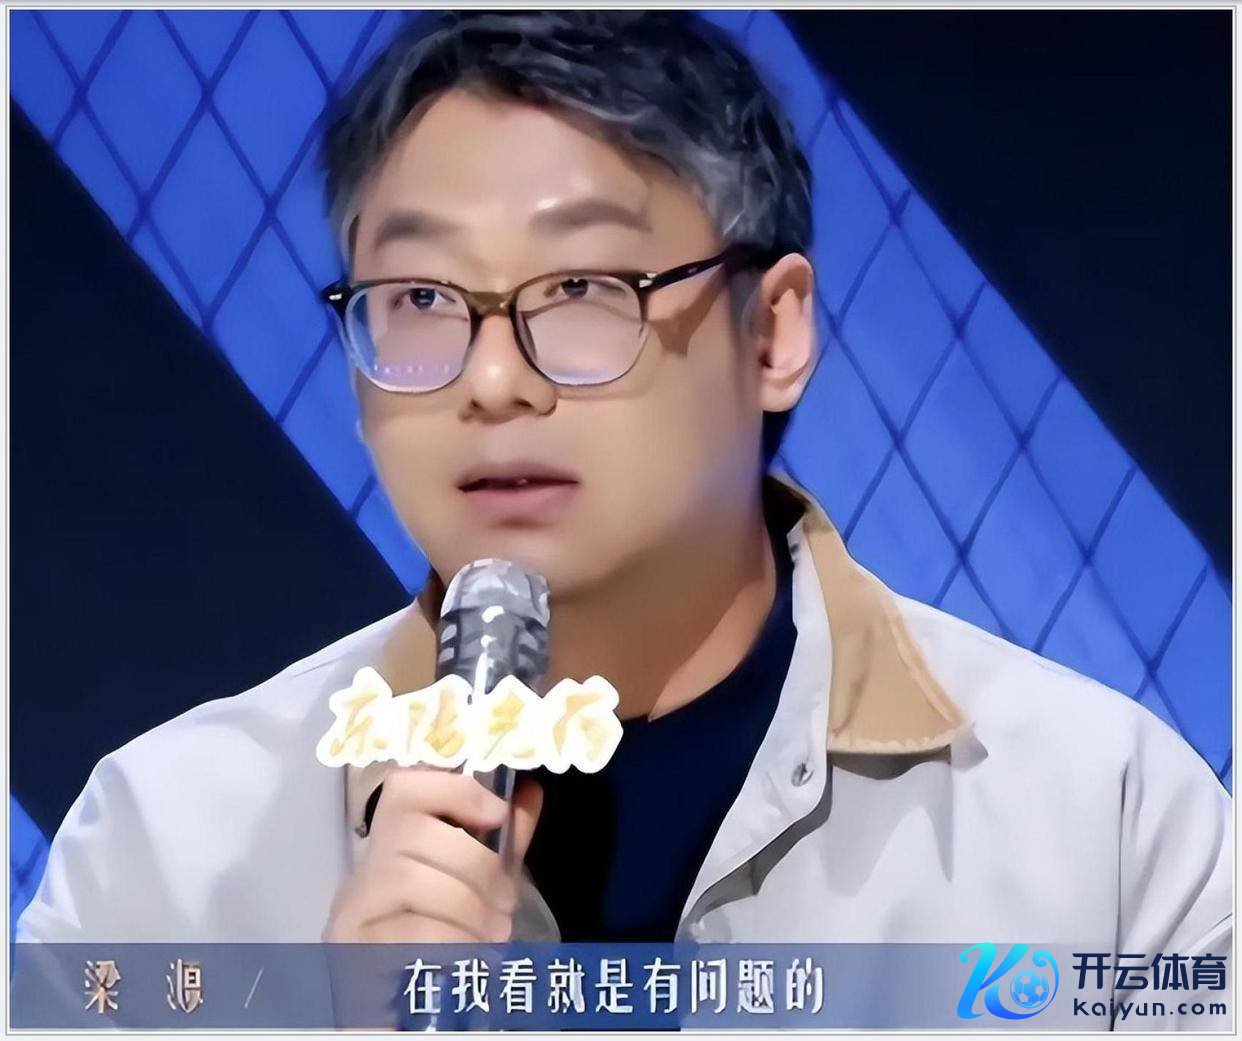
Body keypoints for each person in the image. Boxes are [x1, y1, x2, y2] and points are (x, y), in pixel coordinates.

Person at [18, 8, 1230, 994]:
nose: (493, 380)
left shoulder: (1104, 826)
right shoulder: (169, 852)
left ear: (774, 333)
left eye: (583, 289)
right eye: (422, 300)